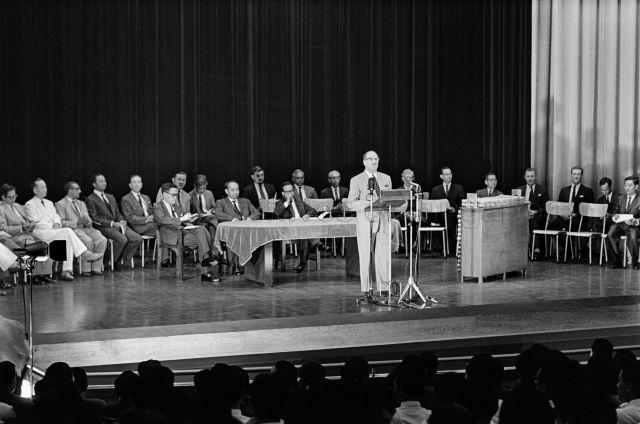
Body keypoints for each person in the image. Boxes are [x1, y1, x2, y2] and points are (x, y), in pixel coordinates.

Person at [25, 178, 102, 281]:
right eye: (42, 187)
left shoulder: (49, 202)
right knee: (68, 231)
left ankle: (66, 271)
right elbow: (35, 222)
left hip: (53, 231)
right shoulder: (29, 204)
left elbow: (56, 216)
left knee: (67, 239)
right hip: (41, 233)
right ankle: (85, 254)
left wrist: (57, 223)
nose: (45, 189)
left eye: (45, 187)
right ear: (35, 190)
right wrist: (52, 226)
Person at [347, 150, 393, 294]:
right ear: (364, 162)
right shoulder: (356, 180)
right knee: (365, 254)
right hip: (365, 221)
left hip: (383, 220)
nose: (374, 161)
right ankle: (366, 288)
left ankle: (384, 287)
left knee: (383, 255)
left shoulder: (386, 178)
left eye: (376, 159)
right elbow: (351, 203)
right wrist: (368, 203)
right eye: (370, 159)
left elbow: (390, 198)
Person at [155, 183, 220, 282]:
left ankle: (206, 261)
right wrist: (180, 219)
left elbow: (184, 219)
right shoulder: (158, 207)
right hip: (170, 235)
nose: (175, 197)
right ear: (164, 194)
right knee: (203, 238)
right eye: (173, 195)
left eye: (176, 195)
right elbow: (162, 219)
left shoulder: (177, 206)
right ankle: (206, 268)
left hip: (183, 234)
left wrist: (190, 218)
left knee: (202, 230)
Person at [86, 173, 143, 269]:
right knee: (122, 239)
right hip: (104, 227)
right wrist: (112, 223)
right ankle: (111, 260)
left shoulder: (110, 196)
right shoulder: (90, 199)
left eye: (104, 180)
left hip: (118, 225)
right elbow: (94, 218)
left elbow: (118, 213)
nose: (104, 183)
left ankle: (117, 258)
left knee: (137, 239)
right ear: (94, 185)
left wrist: (122, 220)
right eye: (101, 181)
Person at [0, 183, 53, 284]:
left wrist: (30, 225)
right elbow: (3, 229)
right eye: (10, 197)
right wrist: (21, 228)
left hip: (27, 234)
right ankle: (33, 276)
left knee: (47, 244)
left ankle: (44, 274)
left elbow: (26, 221)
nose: (13, 199)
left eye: (15, 196)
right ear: (3, 197)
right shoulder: (1, 208)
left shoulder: (18, 206)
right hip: (14, 237)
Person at [273, 182, 329, 273]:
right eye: (287, 192)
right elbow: (276, 213)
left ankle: (302, 264)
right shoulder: (280, 203)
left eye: (291, 191)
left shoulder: (299, 201)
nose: (290, 193)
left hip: (303, 229)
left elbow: (313, 210)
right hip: (290, 230)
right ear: (283, 193)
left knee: (304, 235)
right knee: (305, 233)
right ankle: (317, 244)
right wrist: (287, 202)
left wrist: (307, 214)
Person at [55, 181, 108, 276]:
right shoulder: (60, 204)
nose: (80, 191)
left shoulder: (81, 203)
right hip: (73, 230)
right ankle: (85, 269)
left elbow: (87, 219)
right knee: (88, 240)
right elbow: (61, 223)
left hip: (86, 229)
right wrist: (77, 222)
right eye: (77, 189)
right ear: (70, 190)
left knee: (102, 239)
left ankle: (96, 267)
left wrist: (88, 221)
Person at [216, 180, 260, 275]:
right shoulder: (221, 202)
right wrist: (233, 219)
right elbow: (218, 214)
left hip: (246, 232)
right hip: (231, 232)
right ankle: (234, 265)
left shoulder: (245, 201)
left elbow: (256, 212)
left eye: (237, 190)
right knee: (234, 236)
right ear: (226, 191)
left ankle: (246, 264)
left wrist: (249, 218)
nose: (235, 192)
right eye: (232, 190)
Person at [429, 166, 465, 255]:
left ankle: (442, 247)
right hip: (439, 216)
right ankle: (449, 245)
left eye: (450, 174)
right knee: (443, 215)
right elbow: (431, 205)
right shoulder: (435, 190)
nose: (449, 176)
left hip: (454, 216)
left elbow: (462, 203)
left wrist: (455, 209)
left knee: (449, 214)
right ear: (441, 176)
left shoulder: (458, 188)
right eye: (446, 174)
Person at [515, 168, 549, 258]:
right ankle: (517, 250)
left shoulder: (542, 190)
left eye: (532, 176)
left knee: (534, 220)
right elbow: (515, 205)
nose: (530, 178)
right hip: (521, 216)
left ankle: (535, 249)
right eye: (528, 176)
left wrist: (535, 211)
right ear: (525, 177)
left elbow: (546, 207)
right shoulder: (519, 190)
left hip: (537, 216)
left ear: (536, 177)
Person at [607, 176, 640, 269]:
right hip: (620, 224)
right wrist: (614, 217)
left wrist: (636, 221)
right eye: (625, 185)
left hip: (634, 226)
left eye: (630, 185)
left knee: (633, 236)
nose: (627, 188)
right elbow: (613, 212)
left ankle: (635, 262)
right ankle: (616, 261)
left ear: (636, 187)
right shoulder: (620, 198)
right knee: (610, 233)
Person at [189, 174, 221, 258]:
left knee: (212, 228)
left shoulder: (209, 193)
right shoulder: (189, 196)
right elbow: (188, 213)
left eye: (204, 188)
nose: (202, 190)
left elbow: (214, 207)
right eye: (200, 189)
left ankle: (213, 255)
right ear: (194, 186)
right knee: (213, 224)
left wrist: (213, 211)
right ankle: (212, 254)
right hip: (197, 220)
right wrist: (198, 215)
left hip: (209, 218)